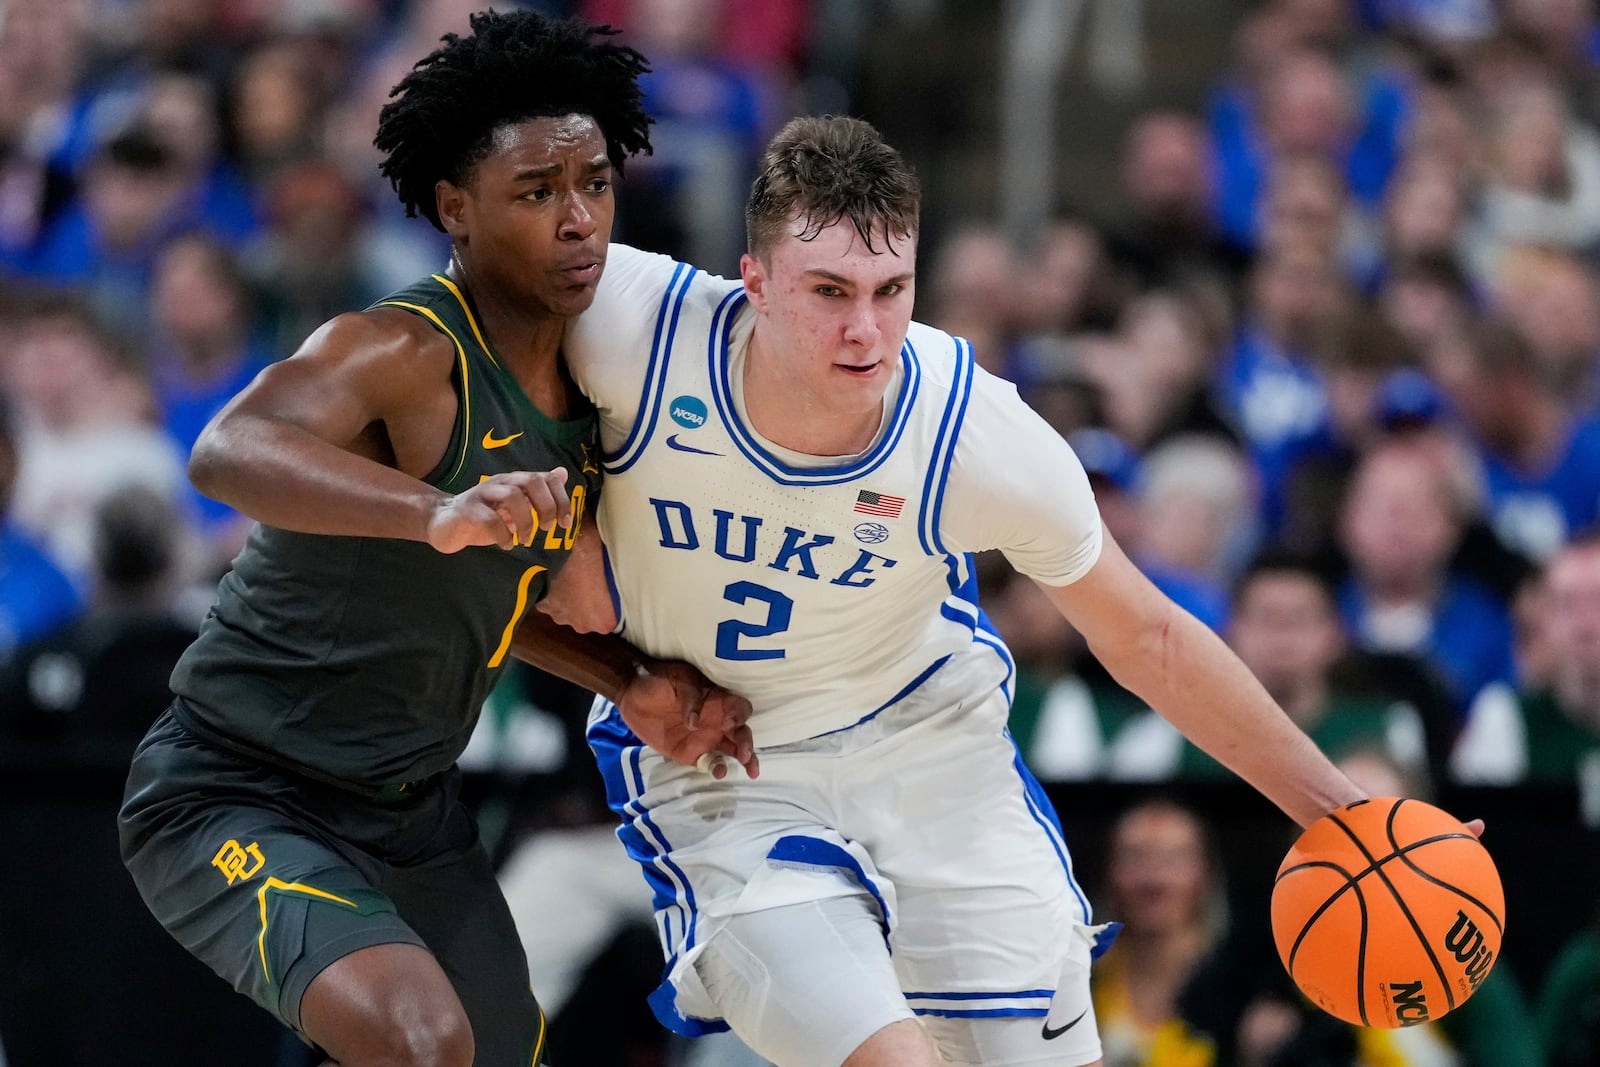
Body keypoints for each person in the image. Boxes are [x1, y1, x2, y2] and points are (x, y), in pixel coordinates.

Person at [544, 114, 1389, 1067]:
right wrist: (567, 532)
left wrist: (1342, 811)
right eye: (829, 292)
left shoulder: (977, 434)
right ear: (756, 282)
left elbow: (1147, 635)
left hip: (933, 763)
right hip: (729, 778)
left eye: (889, 289)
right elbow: (418, 386)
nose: (865, 329)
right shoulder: (626, 324)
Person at [117, 13, 751, 1067]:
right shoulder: (402, 347)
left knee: (497, 1049)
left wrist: (622, 677)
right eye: (537, 192)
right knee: (420, 1040)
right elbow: (227, 449)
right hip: (233, 786)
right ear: (454, 208)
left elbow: (483, 597)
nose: (579, 218)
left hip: (412, 813)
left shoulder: (599, 386)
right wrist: (430, 510)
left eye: (594, 182)